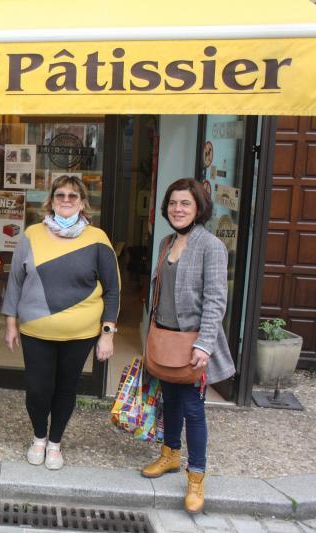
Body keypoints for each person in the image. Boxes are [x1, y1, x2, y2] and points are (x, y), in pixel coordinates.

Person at [2, 174, 119, 470]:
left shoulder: (97, 239)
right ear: (51, 200)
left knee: (66, 388)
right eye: (60, 195)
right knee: (37, 387)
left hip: (80, 334)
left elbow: (113, 289)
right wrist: (10, 322)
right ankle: (38, 437)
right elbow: (15, 281)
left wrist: (108, 333)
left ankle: (55, 442)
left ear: (82, 203)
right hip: (35, 329)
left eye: (73, 196)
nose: (66, 200)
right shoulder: (31, 234)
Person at [140, 178, 235, 514]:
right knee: (170, 402)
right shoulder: (166, 242)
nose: (178, 209)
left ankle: (196, 476)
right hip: (164, 340)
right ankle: (170, 454)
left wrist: (205, 345)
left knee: (194, 410)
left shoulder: (210, 246)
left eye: (185, 204)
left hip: (193, 344)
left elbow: (215, 301)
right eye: (173, 203)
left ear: (199, 209)